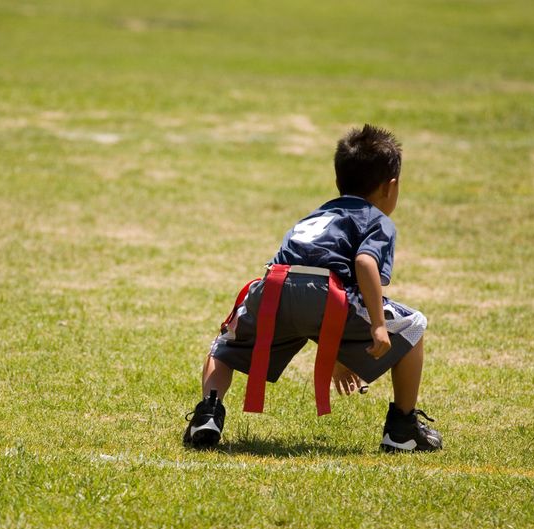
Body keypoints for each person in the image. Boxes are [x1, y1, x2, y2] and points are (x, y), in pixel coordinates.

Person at [183, 124, 443, 453]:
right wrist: (377, 325)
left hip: (273, 288)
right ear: (390, 187)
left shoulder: (317, 214)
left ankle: (208, 411)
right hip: (325, 295)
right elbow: (363, 264)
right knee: (414, 326)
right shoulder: (376, 219)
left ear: (339, 181)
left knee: (224, 345)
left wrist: (337, 353)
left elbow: (302, 288)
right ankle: (402, 429)